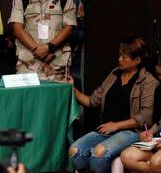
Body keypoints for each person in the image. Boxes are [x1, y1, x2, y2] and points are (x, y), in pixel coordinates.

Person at [67, 35, 159, 173]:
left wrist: (116, 125)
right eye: (119, 55)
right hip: (105, 130)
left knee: (99, 153)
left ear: (137, 60)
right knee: (74, 151)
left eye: (124, 57)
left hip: (130, 132)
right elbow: (92, 101)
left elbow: (145, 117)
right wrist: (73, 89)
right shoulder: (114, 74)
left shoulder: (149, 82)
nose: (119, 59)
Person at [9, 0, 77, 81]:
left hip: (56, 63)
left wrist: (48, 47)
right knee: (28, 100)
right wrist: (36, 49)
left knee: (56, 100)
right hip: (28, 64)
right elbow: (17, 28)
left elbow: (69, 27)